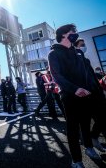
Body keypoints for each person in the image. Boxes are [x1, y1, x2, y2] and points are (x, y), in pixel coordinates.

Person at [48, 24, 101, 168]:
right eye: (73, 32)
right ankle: (76, 160)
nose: (75, 34)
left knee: (85, 123)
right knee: (73, 128)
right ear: (64, 35)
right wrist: (75, 89)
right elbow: (57, 75)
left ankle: (89, 148)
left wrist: (92, 89)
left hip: (86, 94)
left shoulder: (78, 52)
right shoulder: (53, 54)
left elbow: (86, 73)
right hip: (69, 96)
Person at [74, 38, 106, 152]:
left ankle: (94, 137)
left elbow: (92, 77)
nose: (84, 46)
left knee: (103, 118)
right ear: (76, 46)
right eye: (82, 45)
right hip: (87, 95)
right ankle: (90, 142)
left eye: (84, 44)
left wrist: (99, 89)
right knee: (90, 121)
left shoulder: (86, 60)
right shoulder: (74, 60)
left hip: (96, 93)